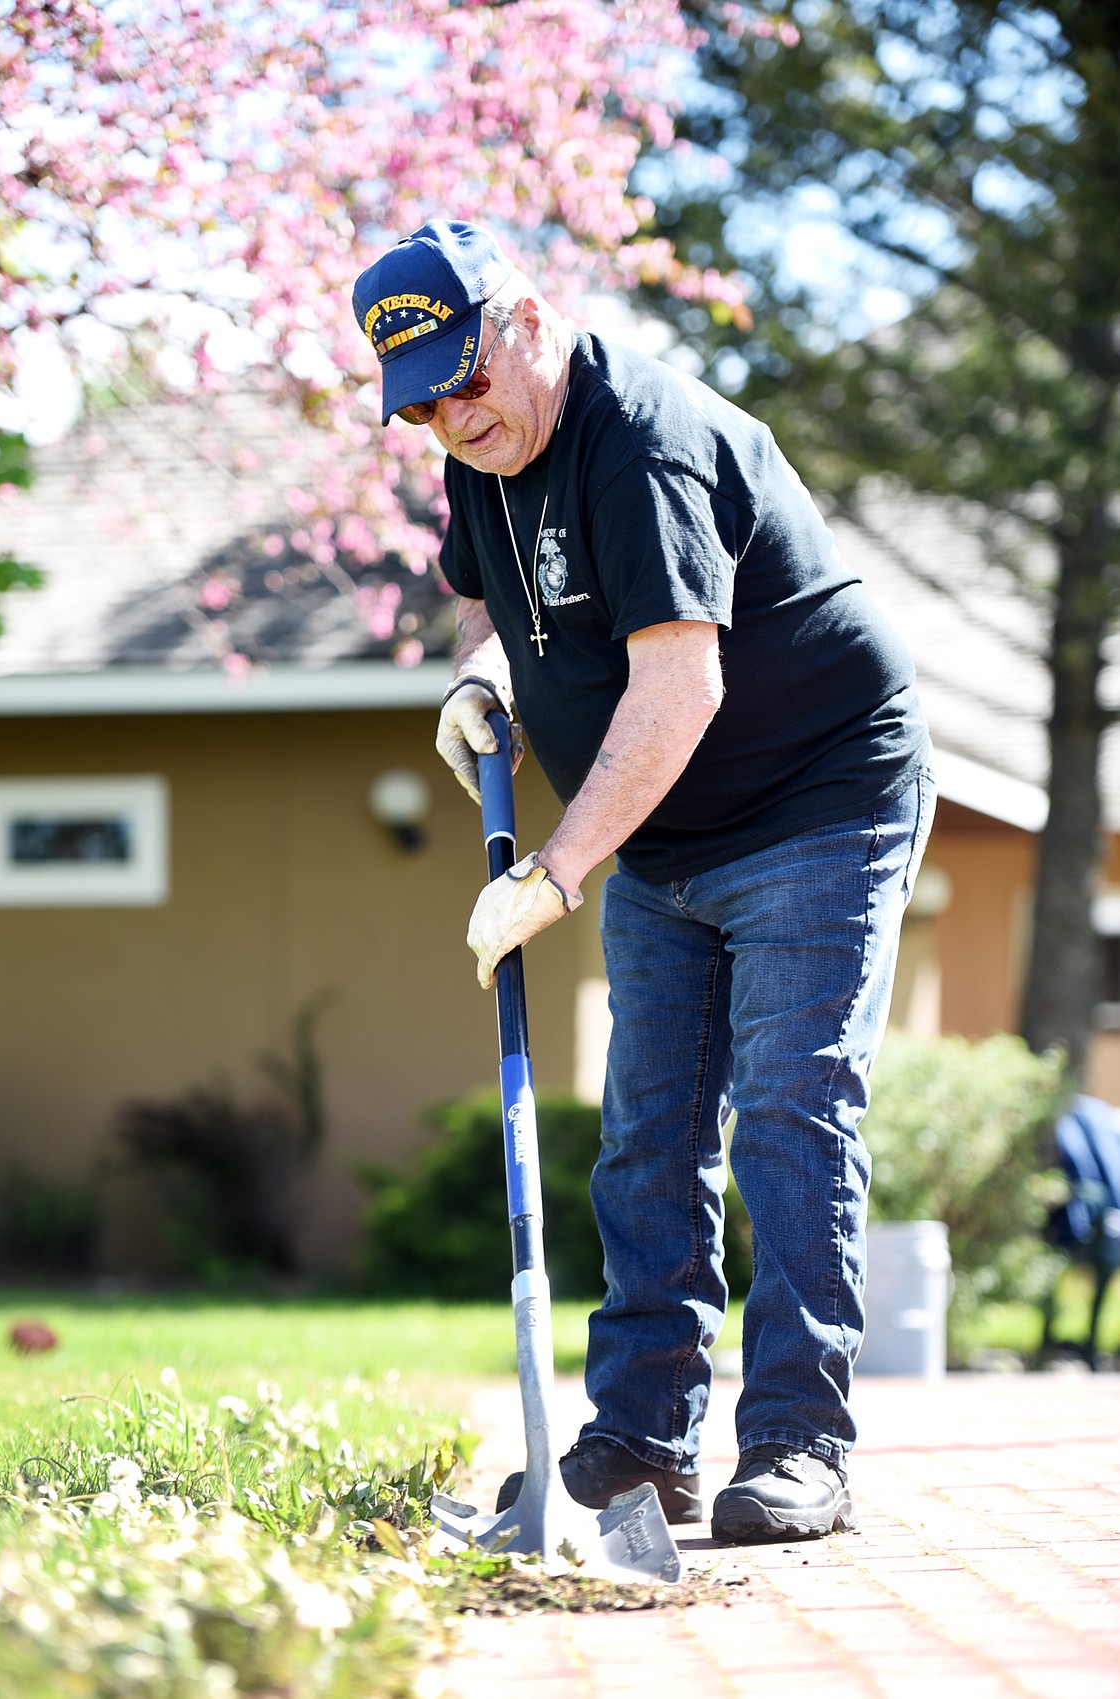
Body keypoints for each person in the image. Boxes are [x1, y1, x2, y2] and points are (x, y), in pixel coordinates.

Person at [351, 220, 934, 1544]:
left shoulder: (644, 446)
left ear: (530, 318)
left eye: (468, 377)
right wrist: (480, 673)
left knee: (789, 1113)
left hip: (816, 799)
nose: (454, 415)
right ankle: (639, 1443)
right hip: (668, 831)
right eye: (425, 400)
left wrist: (554, 873)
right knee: (644, 1135)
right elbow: (479, 592)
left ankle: (796, 1444)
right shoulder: (479, 455)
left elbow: (681, 681)